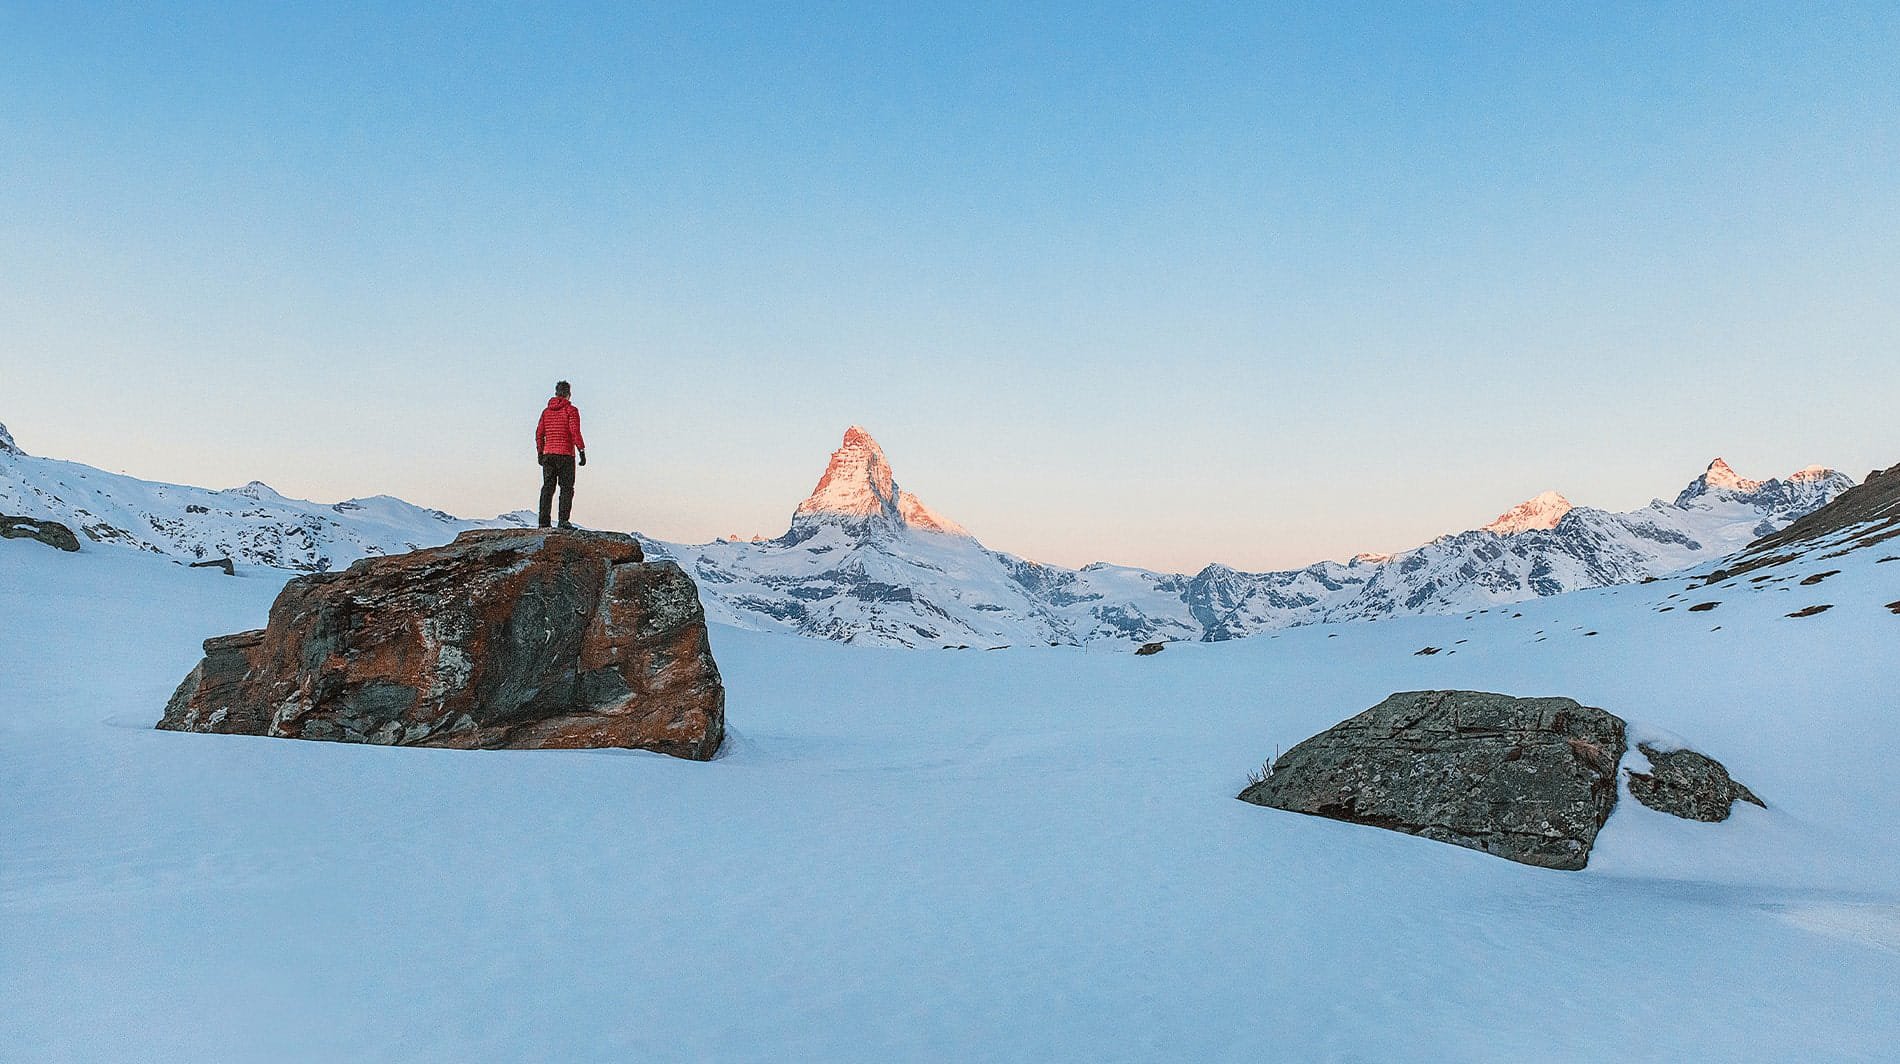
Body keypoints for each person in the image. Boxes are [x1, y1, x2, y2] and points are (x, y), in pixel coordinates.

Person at [535, 381, 587, 529]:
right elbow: (575, 432)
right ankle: (563, 521)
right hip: (565, 455)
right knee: (566, 488)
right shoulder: (571, 410)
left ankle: (543, 522)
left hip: (548, 455)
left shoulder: (546, 412)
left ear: (556, 393)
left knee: (547, 488)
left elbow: (539, 434)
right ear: (568, 394)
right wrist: (581, 451)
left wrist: (540, 452)